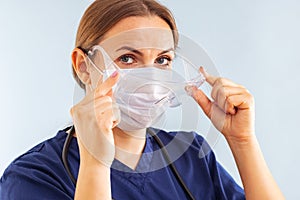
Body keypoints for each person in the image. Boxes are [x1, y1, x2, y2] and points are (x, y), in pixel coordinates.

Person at [0, 0, 284, 199]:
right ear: (83, 66)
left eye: (162, 60)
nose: (150, 77)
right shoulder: (32, 176)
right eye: (127, 58)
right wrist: (95, 164)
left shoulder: (189, 155)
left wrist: (243, 141)